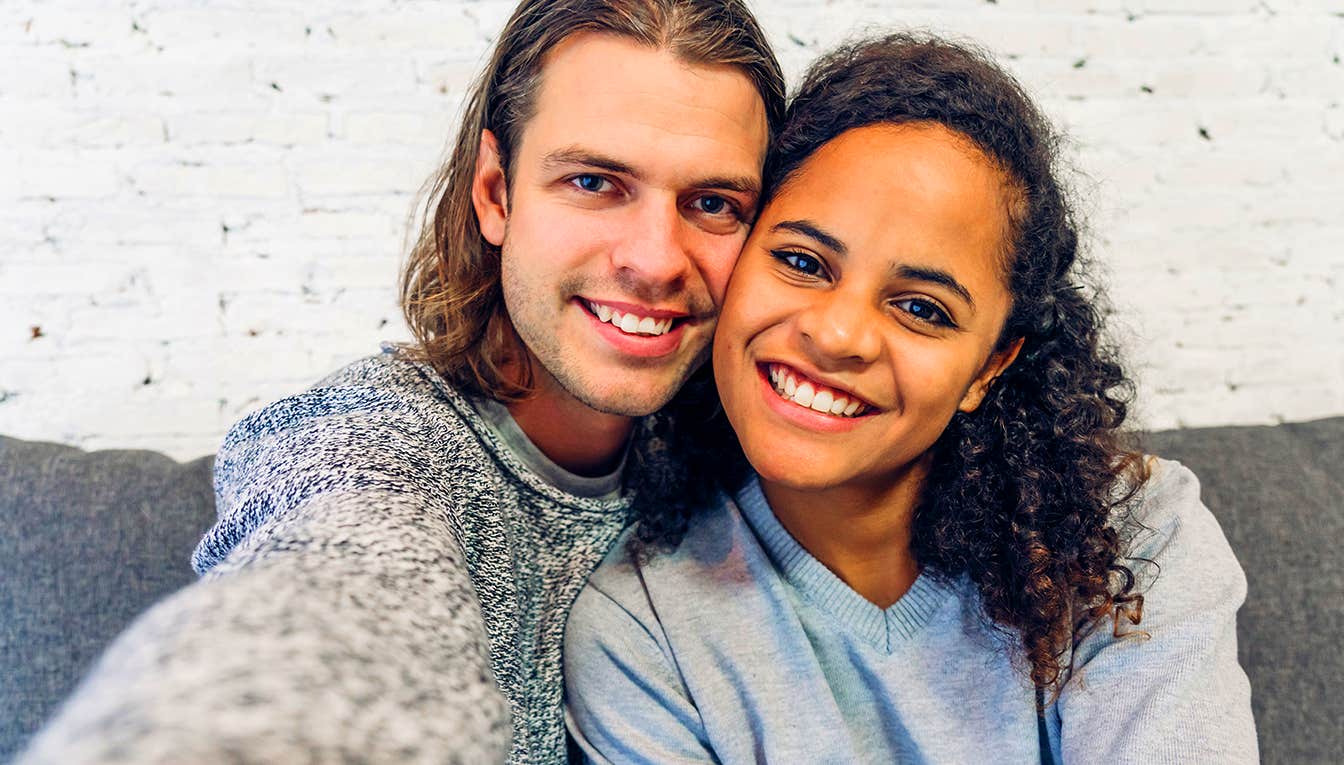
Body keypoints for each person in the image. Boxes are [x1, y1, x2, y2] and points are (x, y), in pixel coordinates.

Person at [16, 2, 782, 763]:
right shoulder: (370, 443)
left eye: (713, 204)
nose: (656, 259)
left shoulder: (747, 449)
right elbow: (337, 612)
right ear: (495, 193)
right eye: (593, 182)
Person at [564, 33, 1258, 763]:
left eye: (922, 308)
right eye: (802, 261)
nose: (837, 334)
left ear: (991, 364)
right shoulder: (641, 632)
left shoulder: (1131, 542)